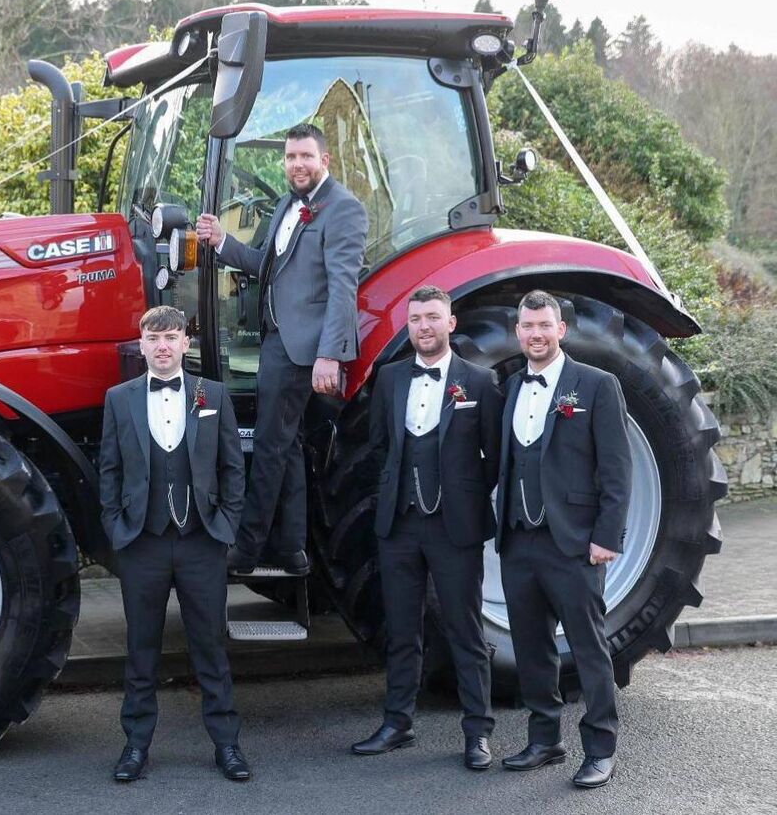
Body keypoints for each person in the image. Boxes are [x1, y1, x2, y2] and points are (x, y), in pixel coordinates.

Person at [195, 123, 367, 576]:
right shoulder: (286, 206)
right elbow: (262, 267)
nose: (297, 165)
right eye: (291, 158)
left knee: (271, 444)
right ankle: (292, 549)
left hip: (304, 347)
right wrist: (221, 243)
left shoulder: (343, 210)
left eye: (306, 157)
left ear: (324, 160)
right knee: (287, 444)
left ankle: (247, 551)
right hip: (276, 337)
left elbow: (343, 286)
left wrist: (329, 354)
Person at [351, 286, 502, 770]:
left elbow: (495, 459)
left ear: (450, 324)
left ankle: (477, 733)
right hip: (399, 525)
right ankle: (398, 723)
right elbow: (379, 446)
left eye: (433, 318)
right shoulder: (391, 378)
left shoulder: (478, 383)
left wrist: (462, 494)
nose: (424, 327)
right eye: (416, 319)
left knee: (465, 629)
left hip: (454, 527)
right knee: (401, 629)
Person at [98, 305, 250, 782]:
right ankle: (135, 747)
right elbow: (109, 470)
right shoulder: (118, 399)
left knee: (210, 648)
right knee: (141, 651)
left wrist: (224, 524)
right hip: (141, 542)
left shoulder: (214, 394)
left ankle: (227, 745)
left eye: (172, 336)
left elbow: (232, 468)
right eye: (153, 338)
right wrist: (116, 527)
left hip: (200, 541)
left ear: (186, 343)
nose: (162, 346)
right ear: (141, 345)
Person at [495, 290, 631, 789]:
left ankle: (600, 748)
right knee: (532, 649)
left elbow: (617, 470)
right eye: (527, 326)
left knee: (589, 649)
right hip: (519, 540)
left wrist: (606, 537)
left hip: (574, 544)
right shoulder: (509, 386)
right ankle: (544, 739)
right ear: (518, 332)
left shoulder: (597, 385)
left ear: (561, 330)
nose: (535, 334)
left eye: (544, 326)